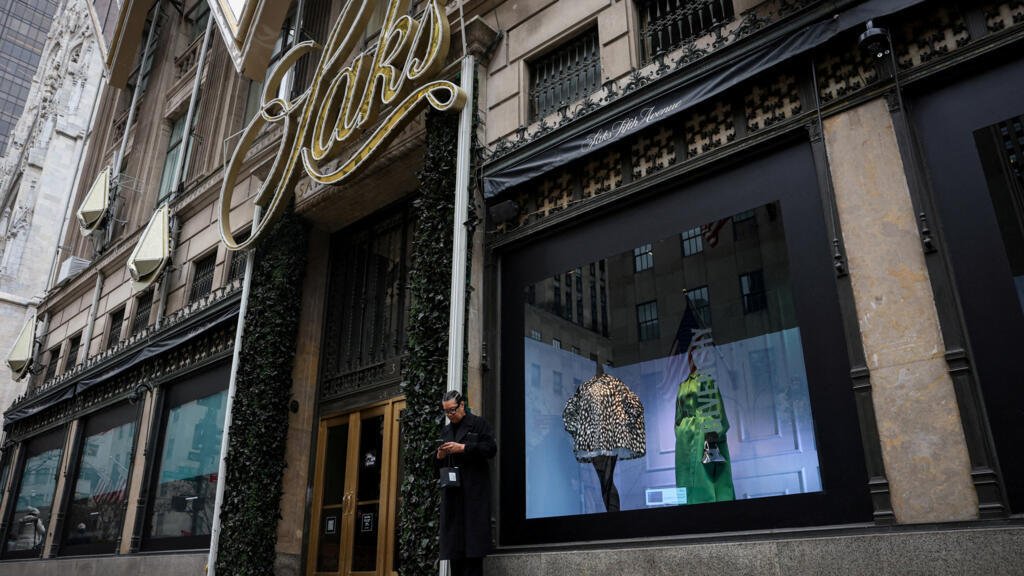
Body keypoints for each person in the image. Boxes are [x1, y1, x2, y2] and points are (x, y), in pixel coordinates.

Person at [436, 390, 496, 576]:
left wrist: (463, 448)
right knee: (455, 553)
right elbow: (437, 468)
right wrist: (440, 456)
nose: (449, 415)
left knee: (473, 555)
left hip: (473, 496)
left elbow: (491, 448)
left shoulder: (478, 424)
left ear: (462, 405)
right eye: (446, 411)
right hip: (453, 497)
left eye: (452, 410)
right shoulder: (446, 431)